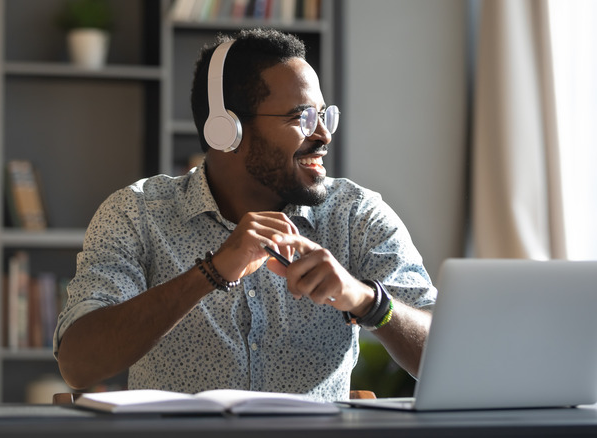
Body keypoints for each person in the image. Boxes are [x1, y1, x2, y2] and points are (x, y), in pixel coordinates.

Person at [53, 28, 436, 402]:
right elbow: (78, 364)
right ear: (227, 131)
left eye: (324, 115)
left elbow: (448, 351)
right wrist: (211, 272)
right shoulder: (137, 213)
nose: (323, 135)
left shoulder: (356, 214)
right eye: (301, 117)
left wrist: (368, 301)